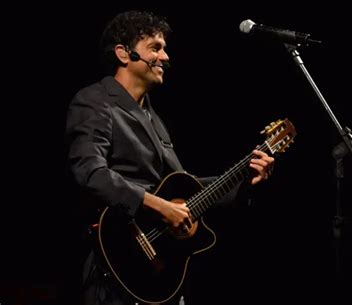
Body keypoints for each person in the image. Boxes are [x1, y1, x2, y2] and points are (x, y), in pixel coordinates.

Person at [65, 10, 275, 305]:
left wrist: (246, 178)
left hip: (159, 274)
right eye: (155, 47)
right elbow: (90, 173)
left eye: (164, 48)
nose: (166, 57)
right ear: (124, 54)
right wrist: (159, 205)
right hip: (115, 266)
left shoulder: (153, 118)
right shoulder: (95, 101)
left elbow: (185, 192)